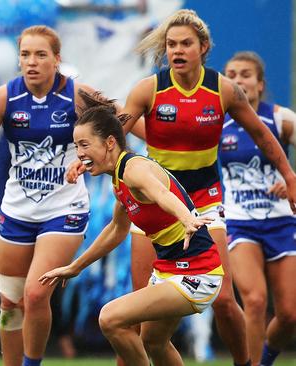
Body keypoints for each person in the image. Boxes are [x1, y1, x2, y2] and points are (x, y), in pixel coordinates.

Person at [63, 9, 296, 366]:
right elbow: (114, 132)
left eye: (186, 43)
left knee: (222, 300)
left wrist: (290, 177)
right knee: (139, 309)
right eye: (171, 44)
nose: (177, 50)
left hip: (202, 203)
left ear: (203, 47)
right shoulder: (150, 89)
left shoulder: (223, 89)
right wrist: (85, 158)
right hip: (151, 198)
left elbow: (264, 136)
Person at [39, 90, 223, 366]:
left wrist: (187, 218)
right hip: (169, 270)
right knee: (154, 341)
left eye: (85, 145)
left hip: (198, 272)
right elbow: (116, 230)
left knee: (110, 318)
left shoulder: (133, 169)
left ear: (110, 142)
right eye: (77, 146)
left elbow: (161, 193)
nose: (79, 154)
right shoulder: (118, 180)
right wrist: (75, 266)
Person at [0, 25, 95, 366]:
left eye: (40, 55)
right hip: (18, 210)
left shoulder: (77, 95)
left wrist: (89, 160)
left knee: (36, 294)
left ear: (57, 60)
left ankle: (32, 362)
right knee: (10, 301)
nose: (31, 62)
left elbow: (119, 124)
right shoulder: (4, 97)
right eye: (25, 54)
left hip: (65, 208)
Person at [219, 51, 296, 366]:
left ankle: (263, 360)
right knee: (254, 299)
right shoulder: (216, 122)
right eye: (232, 74)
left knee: (290, 314)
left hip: (281, 221)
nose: (238, 80)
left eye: (246, 74)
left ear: (260, 84)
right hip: (239, 222)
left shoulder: (280, 118)